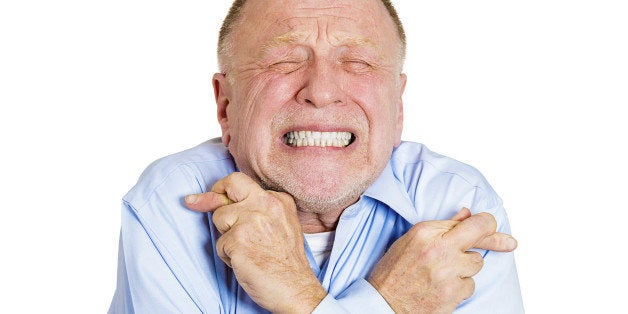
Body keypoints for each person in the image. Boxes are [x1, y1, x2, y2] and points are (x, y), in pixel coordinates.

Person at [109, 0, 523, 312]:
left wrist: (295, 296)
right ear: (226, 106)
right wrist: (388, 303)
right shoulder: (172, 201)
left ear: (397, 109)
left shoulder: (457, 201)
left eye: (357, 63)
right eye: (285, 61)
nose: (322, 92)